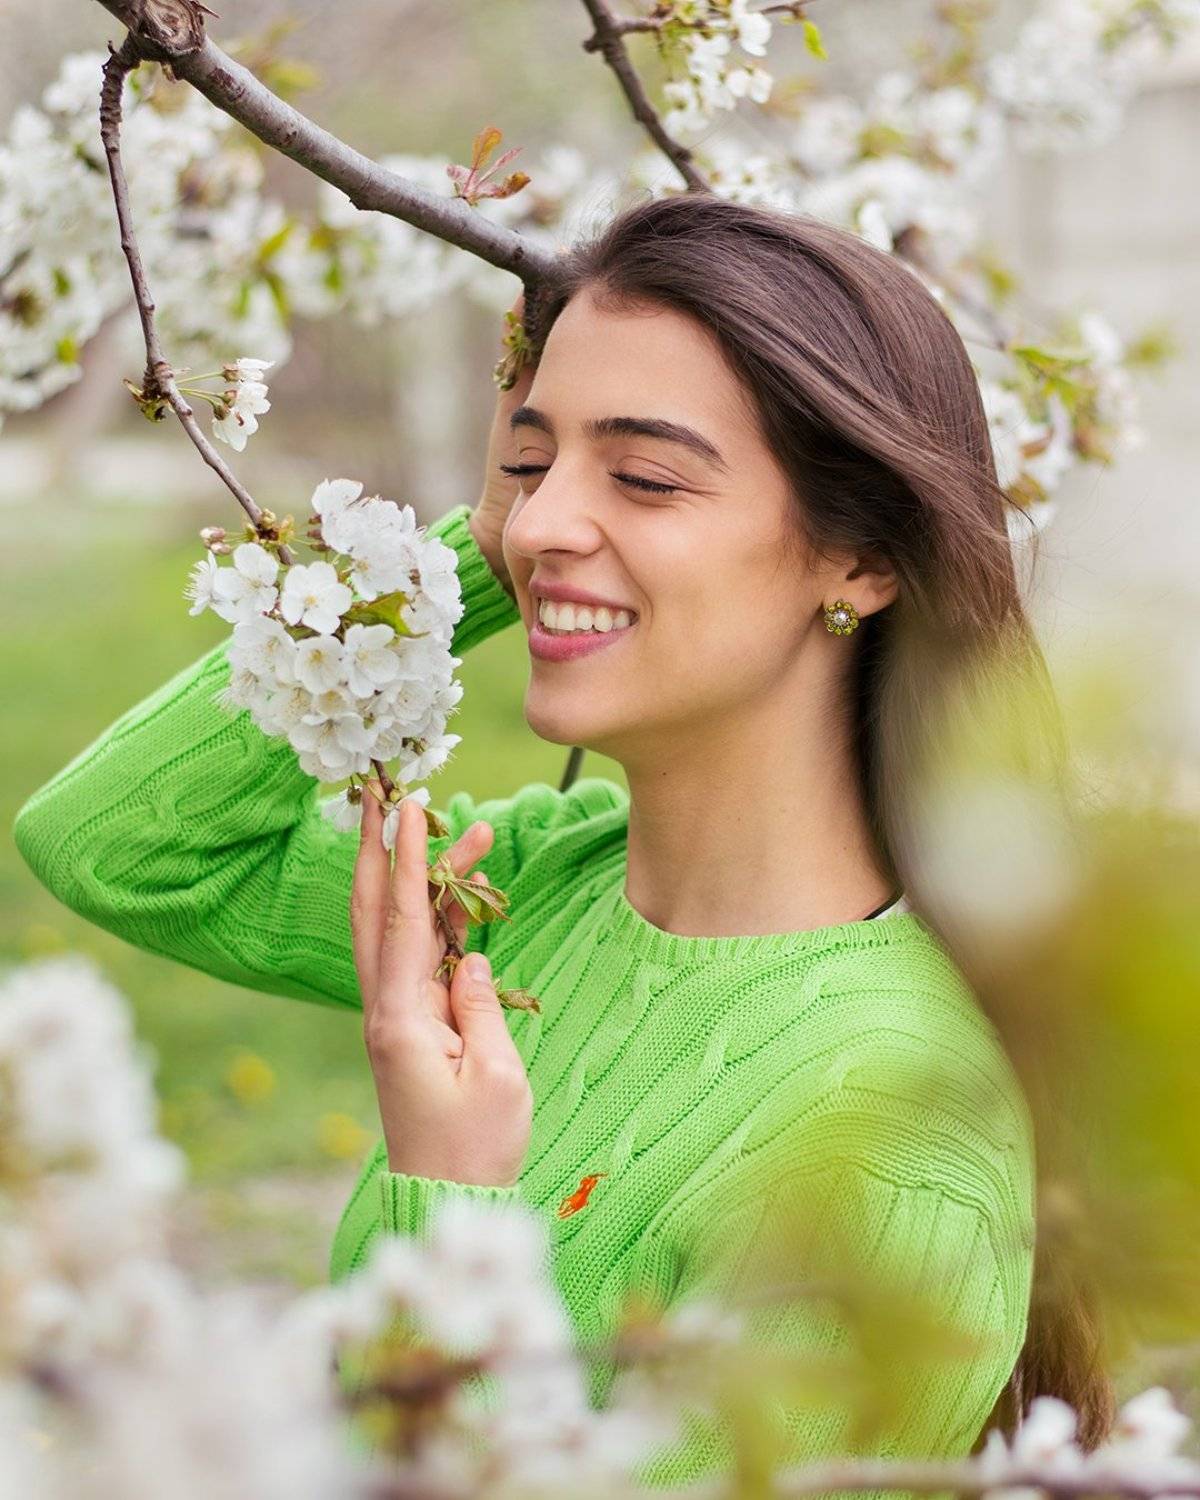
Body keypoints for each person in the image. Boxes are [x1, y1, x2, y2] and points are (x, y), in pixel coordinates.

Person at [12, 192, 1110, 1489]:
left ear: (860, 558)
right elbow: (114, 843)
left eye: (643, 475)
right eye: (530, 464)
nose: (538, 524)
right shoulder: (535, 884)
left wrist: (453, 1205)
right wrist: (461, 563)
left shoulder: (891, 1139)